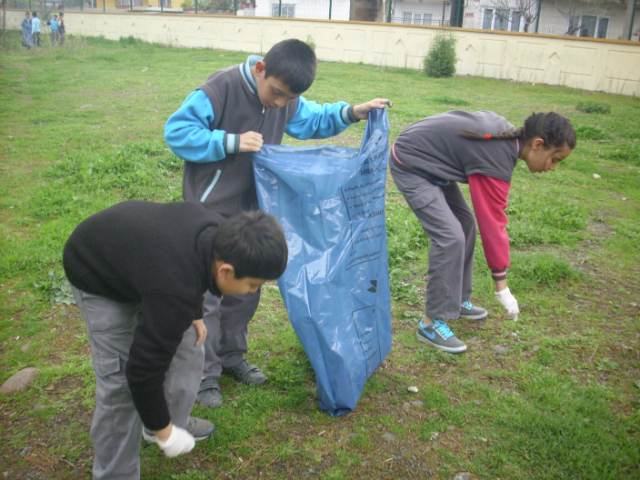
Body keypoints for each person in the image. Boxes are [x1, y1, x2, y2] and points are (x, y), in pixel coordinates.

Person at [164, 38, 389, 409]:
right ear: (260, 69)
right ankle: (205, 374)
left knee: (246, 289)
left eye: (288, 99)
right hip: (209, 213)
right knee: (206, 295)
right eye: (277, 93)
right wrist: (230, 142)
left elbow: (312, 119)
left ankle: (232, 356)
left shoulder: (286, 99)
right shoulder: (219, 88)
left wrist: (352, 112)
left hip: (252, 213)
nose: (280, 104)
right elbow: (177, 131)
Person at [63, 201, 288, 480]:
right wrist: (167, 436)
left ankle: (162, 422)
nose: (252, 291)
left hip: (147, 264)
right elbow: (142, 371)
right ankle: (117, 471)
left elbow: (186, 264)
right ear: (226, 271)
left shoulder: (219, 238)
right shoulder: (174, 289)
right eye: (253, 285)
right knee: (119, 380)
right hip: (97, 270)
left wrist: (193, 312)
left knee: (191, 342)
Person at [389, 111, 576, 353]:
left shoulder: (506, 140)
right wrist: (502, 286)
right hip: (412, 164)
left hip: (433, 163)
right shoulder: (496, 153)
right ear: (538, 144)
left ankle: (456, 301)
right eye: (555, 159)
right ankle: (431, 323)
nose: (552, 168)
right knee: (450, 237)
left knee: (465, 225)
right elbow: (493, 223)